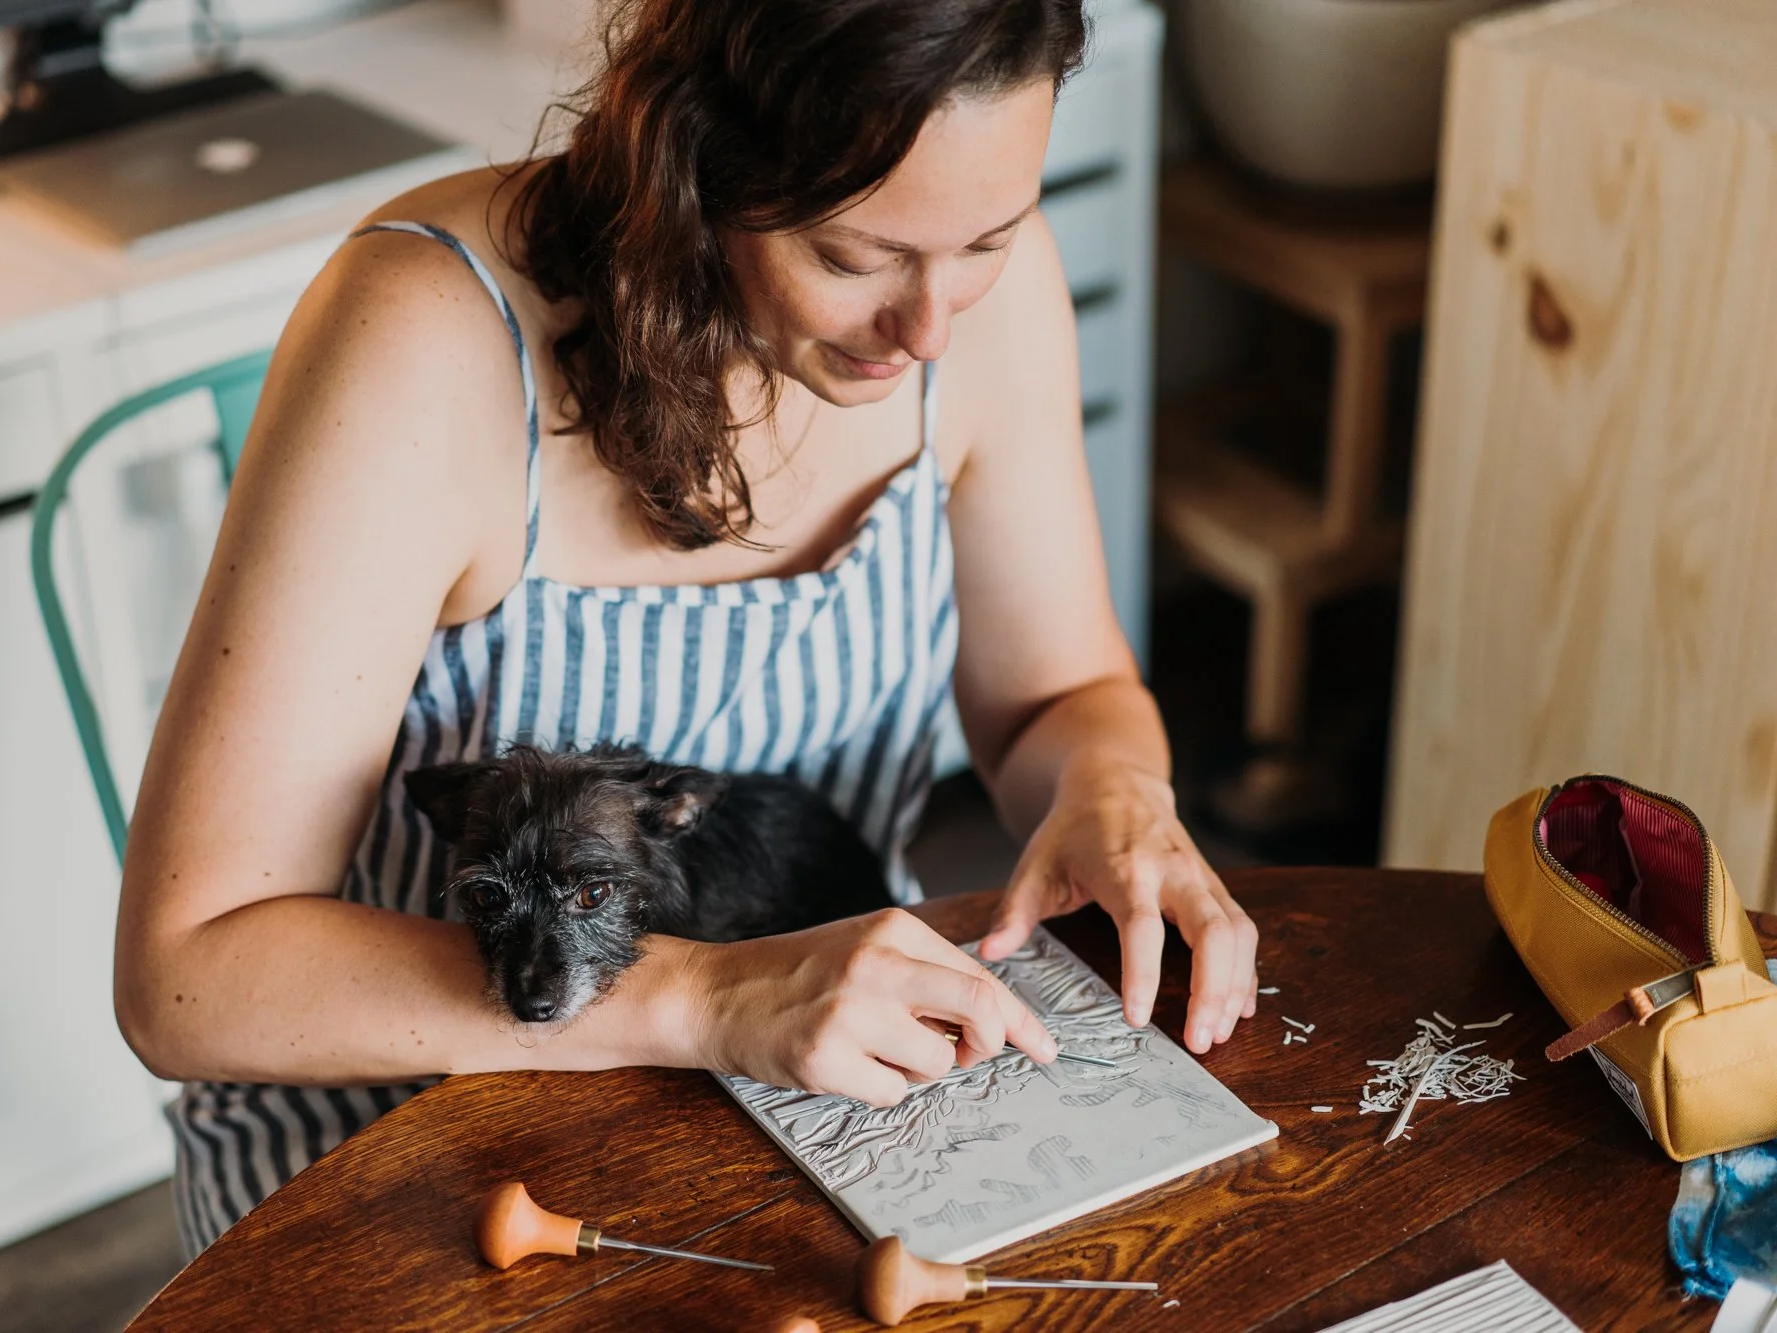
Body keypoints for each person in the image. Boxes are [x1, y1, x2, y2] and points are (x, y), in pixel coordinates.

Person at [114, 0, 1260, 1254]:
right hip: (397, 1151)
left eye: (986, 236)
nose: (930, 330)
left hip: (791, 1111)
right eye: (850, 254)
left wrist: (1108, 783)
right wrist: (704, 995)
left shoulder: (981, 297)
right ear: (691, 159)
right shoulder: (424, 334)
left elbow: (1056, 697)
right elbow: (189, 974)